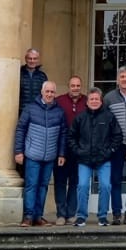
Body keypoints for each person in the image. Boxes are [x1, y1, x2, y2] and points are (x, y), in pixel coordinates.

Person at [13, 80, 66, 227]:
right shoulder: (30, 108)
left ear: (55, 94)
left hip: (50, 156)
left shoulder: (59, 112)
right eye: (47, 91)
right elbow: (20, 129)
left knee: (43, 186)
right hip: (32, 155)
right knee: (31, 185)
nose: (49, 94)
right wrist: (18, 151)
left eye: (52, 92)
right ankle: (28, 216)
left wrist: (61, 154)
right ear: (42, 92)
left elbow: (63, 134)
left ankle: (38, 216)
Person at [69, 88, 121, 227]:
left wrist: (109, 151)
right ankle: (81, 216)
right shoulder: (80, 118)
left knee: (105, 186)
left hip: (104, 159)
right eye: (91, 99)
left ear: (101, 100)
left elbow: (117, 136)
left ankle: (102, 216)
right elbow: (71, 137)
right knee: (82, 186)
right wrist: (78, 151)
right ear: (87, 101)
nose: (94, 101)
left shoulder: (109, 116)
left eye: (96, 99)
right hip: (84, 159)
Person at [103, 66, 126, 224]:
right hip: (116, 145)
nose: (125, 79)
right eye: (122, 77)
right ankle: (117, 213)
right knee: (115, 179)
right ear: (118, 80)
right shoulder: (109, 97)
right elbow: (104, 121)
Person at [52, 74, 86, 224]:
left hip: (79, 150)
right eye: (73, 86)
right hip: (61, 149)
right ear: (68, 87)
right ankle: (61, 214)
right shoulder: (59, 101)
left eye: (78, 86)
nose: (76, 88)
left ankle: (71, 213)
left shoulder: (87, 101)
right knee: (60, 182)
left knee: (75, 182)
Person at [18, 48, 47, 112]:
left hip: (38, 110)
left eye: (35, 58)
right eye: (30, 58)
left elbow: (46, 94)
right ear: (25, 59)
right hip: (22, 111)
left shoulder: (42, 76)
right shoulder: (18, 73)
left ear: (38, 60)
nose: (32, 61)